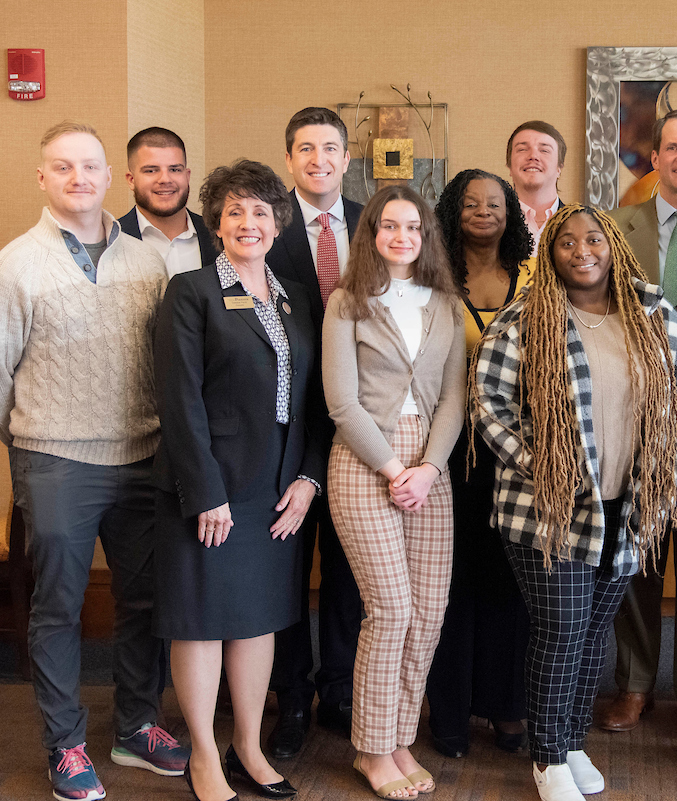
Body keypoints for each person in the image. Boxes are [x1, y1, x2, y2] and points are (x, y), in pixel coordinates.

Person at [0, 120, 187, 801]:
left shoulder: (146, 263)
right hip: (56, 461)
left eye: (89, 166)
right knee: (59, 604)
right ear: (42, 177)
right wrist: (36, 437)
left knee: (145, 601)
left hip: (143, 455)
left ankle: (136, 725)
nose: (78, 178)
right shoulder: (14, 266)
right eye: (63, 167)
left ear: (110, 176)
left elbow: (164, 363)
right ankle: (65, 745)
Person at [474, 203, 677, 801]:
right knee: (560, 627)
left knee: (595, 631)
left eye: (594, 239)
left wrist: (674, 483)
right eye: (566, 242)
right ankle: (547, 756)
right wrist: (545, 465)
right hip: (545, 509)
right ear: (549, 253)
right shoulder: (524, 321)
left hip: (628, 508)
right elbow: (489, 405)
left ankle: (572, 741)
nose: (582, 251)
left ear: (615, 246)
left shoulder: (658, 319)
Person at [154, 158, 328, 801]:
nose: (248, 222)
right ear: (215, 222)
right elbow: (180, 401)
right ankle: (204, 755)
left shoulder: (294, 296)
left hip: (277, 491)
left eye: (260, 211)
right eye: (234, 212)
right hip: (210, 491)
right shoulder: (192, 292)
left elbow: (314, 400)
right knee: (201, 621)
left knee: (257, 621)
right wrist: (207, 493)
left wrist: (309, 478)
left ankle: (249, 747)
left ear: (278, 223)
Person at [323, 184, 465, 800]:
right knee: (391, 611)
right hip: (364, 460)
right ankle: (372, 749)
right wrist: (391, 468)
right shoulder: (346, 302)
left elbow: (456, 399)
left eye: (413, 227)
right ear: (372, 233)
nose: (402, 237)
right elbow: (341, 402)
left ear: (426, 235)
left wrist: (429, 469)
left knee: (428, 615)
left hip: (431, 468)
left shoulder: (447, 304)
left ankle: (400, 736)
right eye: (389, 226)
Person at [597, 107, 677, 738]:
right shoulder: (617, 229)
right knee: (635, 555)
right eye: (670, 147)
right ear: (655, 159)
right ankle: (634, 683)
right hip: (634, 416)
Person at [265, 106, 365, 758]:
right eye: (306, 148)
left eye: (330, 148)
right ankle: (292, 695)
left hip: (362, 431)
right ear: (291, 158)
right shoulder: (263, 229)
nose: (319, 159)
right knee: (287, 570)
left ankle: (342, 690)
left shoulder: (374, 224)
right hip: (289, 426)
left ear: (347, 157)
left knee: (352, 572)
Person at [425, 169, 534, 758]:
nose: (483, 211)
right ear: (452, 211)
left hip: (517, 453)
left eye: (495, 203)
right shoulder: (432, 277)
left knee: (513, 582)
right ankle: (450, 710)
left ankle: (507, 707)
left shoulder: (537, 276)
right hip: (448, 454)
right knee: (451, 581)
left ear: (511, 212)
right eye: (470, 203)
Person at [119, 126, 218, 276]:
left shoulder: (219, 236)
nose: (165, 179)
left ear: (187, 176)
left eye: (174, 170)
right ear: (131, 180)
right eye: (151, 170)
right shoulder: (110, 241)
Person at [507, 120, 566, 255]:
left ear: (559, 168)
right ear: (509, 166)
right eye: (522, 149)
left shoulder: (579, 224)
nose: (533, 156)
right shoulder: (492, 225)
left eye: (544, 150)